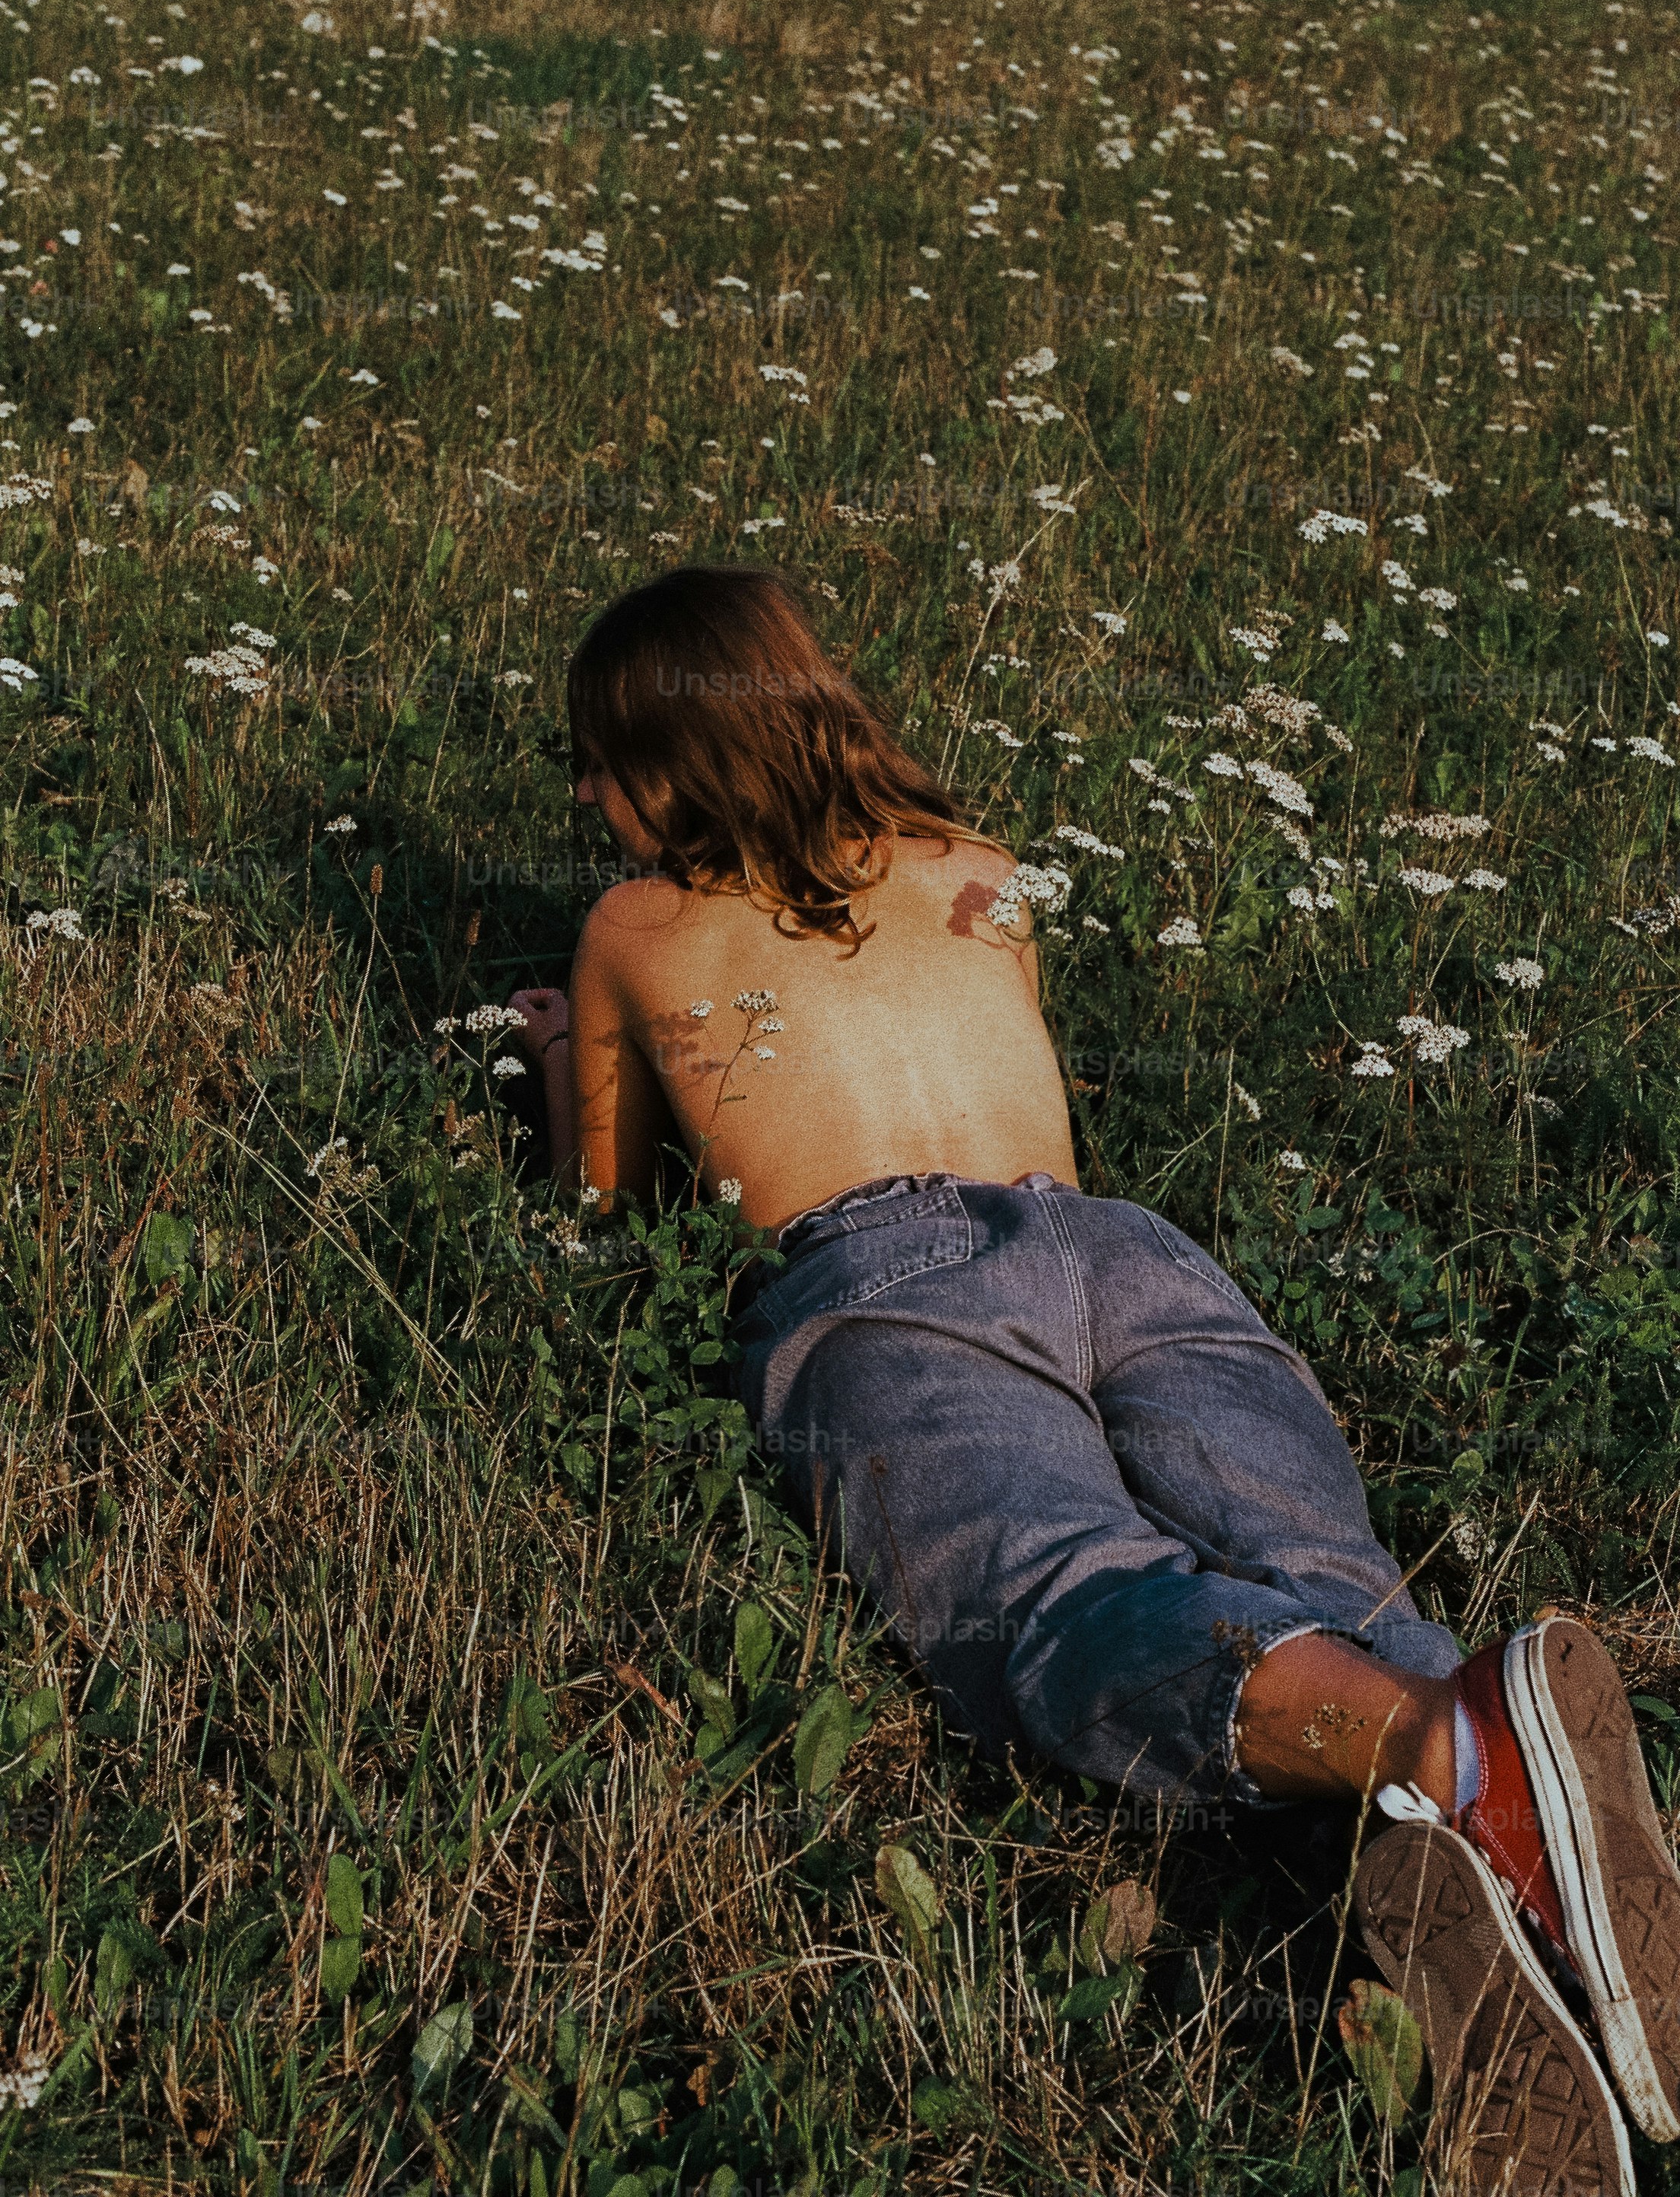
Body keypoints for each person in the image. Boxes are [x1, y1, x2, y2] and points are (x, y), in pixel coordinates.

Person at [510, 565, 1680, 2195]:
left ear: (673, 751)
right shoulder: (978, 874)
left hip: (883, 1279)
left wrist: (562, 1045)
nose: (582, 796)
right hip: (1127, 1247)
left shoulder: (636, 928)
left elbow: (605, 1203)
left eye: (595, 758)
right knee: (1317, 1572)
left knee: (1057, 1599)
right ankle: (1503, 1829)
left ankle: (1439, 1745)